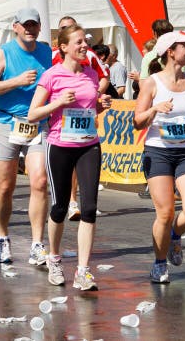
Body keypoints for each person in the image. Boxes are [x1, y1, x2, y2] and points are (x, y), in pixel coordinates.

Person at [28, 25, 112, 291]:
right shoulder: (51, 76)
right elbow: (33, 114)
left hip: (89, 144)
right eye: (78, 42)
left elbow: (89, 106)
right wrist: (58, 103)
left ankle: (83, 271)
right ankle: (54, 258)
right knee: (60, 207)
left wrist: (101, 104)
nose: (84, 46)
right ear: (64, 47)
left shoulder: (90, 74)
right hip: (60, 145)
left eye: (85, 42)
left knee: (88, 208)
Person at [0, 7, 51, 265]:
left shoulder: (47, 52)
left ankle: (37, 243)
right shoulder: (4, 53)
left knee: (40, 181)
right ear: (16, 27)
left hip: (37, 123)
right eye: (26, 25)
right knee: (6, 186)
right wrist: (16, 81)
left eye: (34, 25)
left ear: (39, 28)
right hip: (8, 122)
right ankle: (2, 237)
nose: (30, 29)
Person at [133, 31, 185, 283]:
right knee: (164, 213)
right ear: (170, 51)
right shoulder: (152, 83)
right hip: (158, 152)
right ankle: (159, 263)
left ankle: (175, 234)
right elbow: (137, 122)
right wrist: (154, 108)